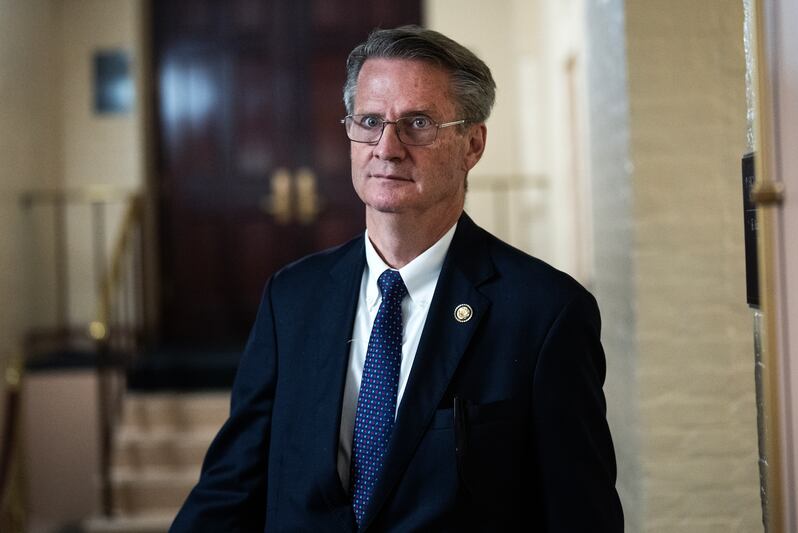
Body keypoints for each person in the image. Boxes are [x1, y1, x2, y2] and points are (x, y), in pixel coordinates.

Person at [171, 25, 623, 532]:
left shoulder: (546, 313)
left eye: (419, 123)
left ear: (472, 145)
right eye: (369, 121)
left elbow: (581, 517)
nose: (387, 147)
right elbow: (230, 489)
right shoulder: (291, 299)